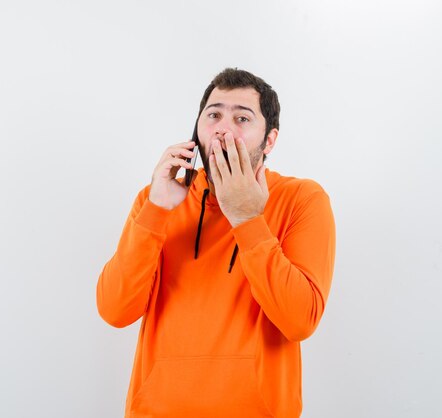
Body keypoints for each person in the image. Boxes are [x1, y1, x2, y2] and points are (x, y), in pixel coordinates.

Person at [96, 68, 336, 418]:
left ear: (269, 141)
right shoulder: (157, 199)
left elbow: (300, 320)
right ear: (197, 129)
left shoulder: (302, 199)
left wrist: (247, 218)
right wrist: (156, 210)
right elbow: (115, 311)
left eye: (242, 118)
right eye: (213, 115)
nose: (223, 128)